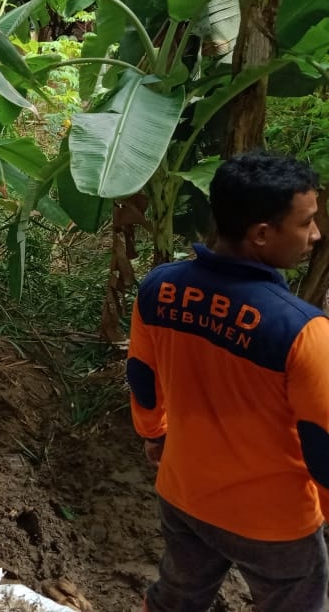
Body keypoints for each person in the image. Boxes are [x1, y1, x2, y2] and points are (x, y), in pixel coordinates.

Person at [128, 151, 329, 612]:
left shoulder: (159, 288)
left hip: (184, 495)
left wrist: (153, 435)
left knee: (176, 598)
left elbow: (142, 375)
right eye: (306, 222)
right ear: (261, 234)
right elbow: (323, 444)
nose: (315, 235)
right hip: (274, 526)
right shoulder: (302, 330)